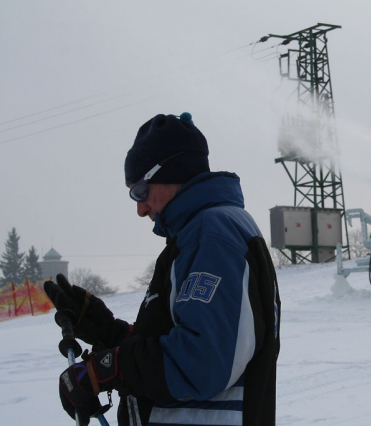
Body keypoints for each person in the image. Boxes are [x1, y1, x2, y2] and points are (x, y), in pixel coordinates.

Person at [45, 112, 281, 426]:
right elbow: (176, 340)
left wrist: (106, 369)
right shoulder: (194, 236)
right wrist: (107, 332)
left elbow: (203, 361)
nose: (140, 208)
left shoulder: (212, 235)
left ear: (173, 170)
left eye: (140, 191)